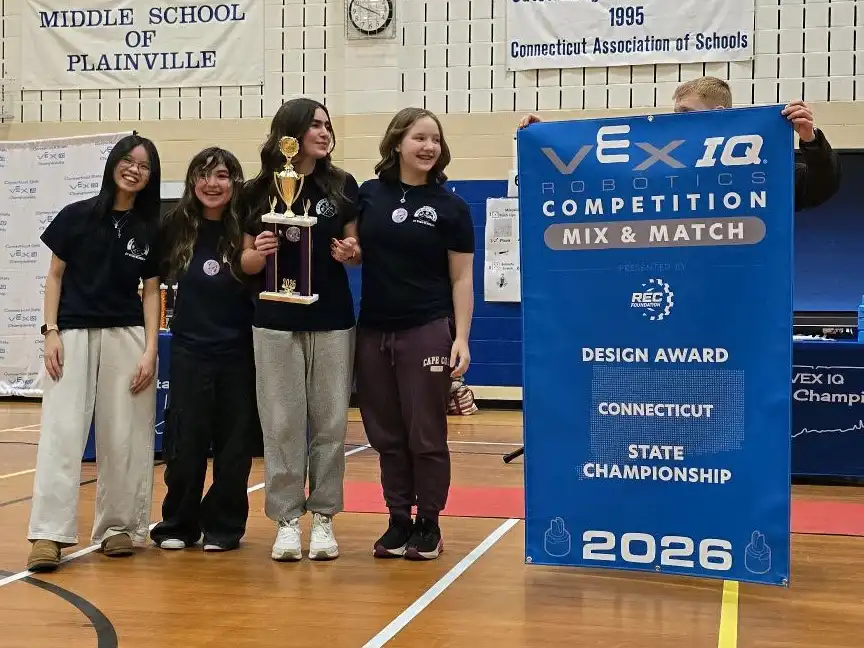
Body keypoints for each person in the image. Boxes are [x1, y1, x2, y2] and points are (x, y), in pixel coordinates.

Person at [331, 107, 475, 561]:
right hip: (374, 331)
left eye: (435, 139)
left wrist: (461, 337)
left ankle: (428, 523)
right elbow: (357, 252)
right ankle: (398, 520)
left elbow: (462, 278)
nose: (429, 146)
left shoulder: (451, 207)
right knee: (386, 436)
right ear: (397, 143)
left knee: (425, 434)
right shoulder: (369, 194)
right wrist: (349, 252)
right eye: (419, 137)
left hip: (427, 329)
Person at [26, 133, 163, 572]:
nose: (134, 170)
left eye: (144, 166)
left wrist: (150, 349)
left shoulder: (150, 227)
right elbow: (54, 276)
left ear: (151, 176)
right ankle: (48, 534)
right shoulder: (76, 215)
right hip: (72, 335)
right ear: (113, 163)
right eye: (128, 161)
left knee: (125, 435)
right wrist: (50, 331)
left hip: (127, 336)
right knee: (62, 433)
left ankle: (117, 527)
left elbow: (151, 291)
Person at [241, 97, 359, 562]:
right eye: (315, 125)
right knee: (281, 424)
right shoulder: (255, 191)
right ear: (289, 132)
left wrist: (351, 252)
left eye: (327, 125)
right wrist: (259, 252)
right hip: (273, 323)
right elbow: (245, 262)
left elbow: (357, 248)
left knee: (330, 424)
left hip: (331, 320)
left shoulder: (342, 185)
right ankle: (287, 520)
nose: (324, 132)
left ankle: (324, 517)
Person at [149, 147, 259, 553]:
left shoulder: (247, 226)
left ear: (235, 182)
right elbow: (149, 278)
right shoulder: (174, 225)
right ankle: (178, 523)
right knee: (185, 442)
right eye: (204, 175)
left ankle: (224, 527)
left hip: (239, 351)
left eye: (222, 175)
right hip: (190, 350)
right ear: (192, 181)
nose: (212, 184)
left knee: (234, 446)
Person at [518, 76, 841, 211]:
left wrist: (810, 139)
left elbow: (821, 187)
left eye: (685, 113)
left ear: (718, 114)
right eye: (675, 114)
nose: (676, 121)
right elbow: (595, 176)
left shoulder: (760, 165)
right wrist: (547, 142)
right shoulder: (656, 162)